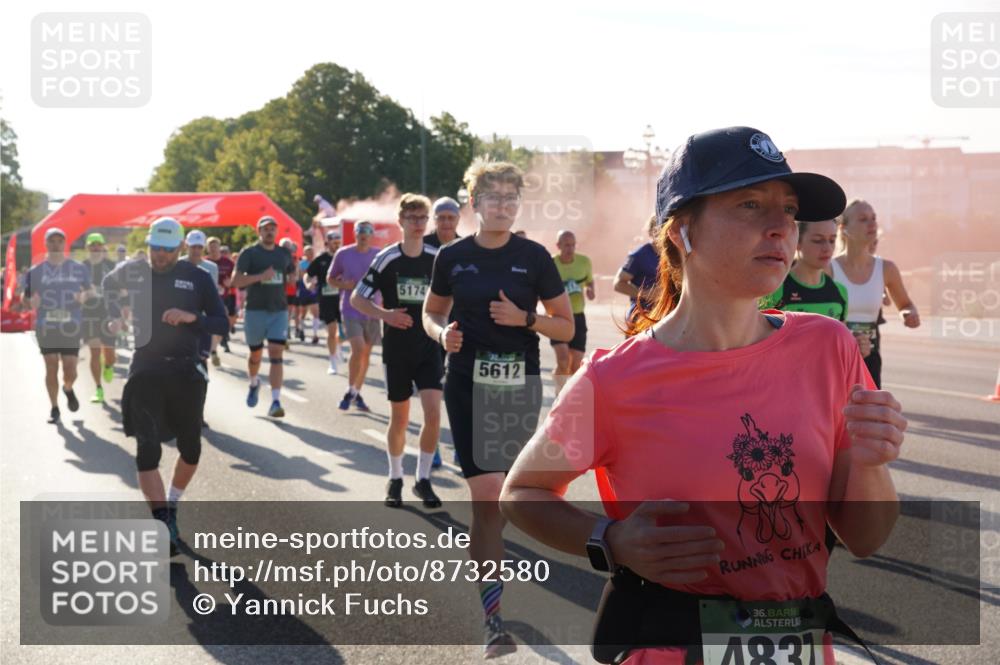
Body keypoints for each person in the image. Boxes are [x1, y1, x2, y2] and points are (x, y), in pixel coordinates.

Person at [499, 126, 908, 665]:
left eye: (788, 209)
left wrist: (873, 465)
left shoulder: (828, 347)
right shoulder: (614, 380)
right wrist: (612, 540)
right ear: (681, 231)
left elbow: (864, 537)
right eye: (750, 204)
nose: (781, 225)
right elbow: (521, 494)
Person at [423, 159, 573, 657]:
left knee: (506, 500)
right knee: (487, 499)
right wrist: (441, 333)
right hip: (467, 384)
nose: (504, 206)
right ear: (474, 203)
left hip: (519, 386)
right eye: (494, 198)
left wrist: (525, 318)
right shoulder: (452, 256)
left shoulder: (534, 257)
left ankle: (492, 566)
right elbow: (431, 310)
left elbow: (566, 328)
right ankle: (494, 619)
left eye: (512, 198)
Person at [103, 217, 228, 556]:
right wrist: (115, 314)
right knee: (147, 450)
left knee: (191, 449)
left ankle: (172, 503)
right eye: (154, 248)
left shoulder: (197, 277)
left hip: (186, 372)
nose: (158, 255)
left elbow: (221, 321)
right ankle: (162, 522)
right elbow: (107, 286)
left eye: (166, 250)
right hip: (145, 369)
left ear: (180, 249)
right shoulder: (135, 270)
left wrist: (193, 319)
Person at [351, 194, 444, 508]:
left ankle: (423, 479)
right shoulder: (388, 258)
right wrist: (386, 315)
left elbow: (453, 298)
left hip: (430, 346)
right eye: (412, 218)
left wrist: (445, 329)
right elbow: (357, 299)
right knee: (400, 418)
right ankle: (394, 477)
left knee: (433, 414)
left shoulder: (437, 257)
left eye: (422, 218)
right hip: (398, 349)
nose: (418, 224)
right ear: (400, 222)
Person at [831, 199, 920, 388]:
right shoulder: (828, 269)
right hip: (835, 354)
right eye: (863, 219)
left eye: (874, 218)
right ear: (844, 228)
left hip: (870, 353)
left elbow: (905, 304)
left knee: (869, 412)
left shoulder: (886, 268)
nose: (872, 224)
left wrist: (908, 314)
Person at [21, 228, 92, 423]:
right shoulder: (36, 271)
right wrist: (29, 303)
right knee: (50, 365)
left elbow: (89, 291)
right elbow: (25, 297)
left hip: (71, 324)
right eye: (52, 241)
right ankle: (54, 408)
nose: (56, 244)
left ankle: (68, 388)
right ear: (46, 244)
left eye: (60, 241)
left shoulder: (78, 268)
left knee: (70, 369)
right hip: (47, 325)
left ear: (65, 243)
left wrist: (83, 297)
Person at [231, 216, 296, 418]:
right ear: (259, 231)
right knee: (256, 355)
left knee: (276, 352)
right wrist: (260, 276)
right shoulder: (249, 253)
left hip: (279, 310)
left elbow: (292, 274)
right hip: (255, 310)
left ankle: (275, 401)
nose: (269, 232)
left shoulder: (284, 253)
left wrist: (294, 277)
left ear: (276, 232)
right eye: (265, 229)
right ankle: (254, 383)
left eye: (272, 229)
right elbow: (236, 281)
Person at [327, 220, 381, 412]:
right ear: (355, 234)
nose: (364, 234)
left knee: (366, 354)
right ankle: (351, 389)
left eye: (367, 230)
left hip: (373, 309)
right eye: (360, 231)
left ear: (372, 234)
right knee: (358, 349)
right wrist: (345, 286)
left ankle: (355, 392)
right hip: (351, 308)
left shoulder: (378, 254)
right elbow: (330, 279)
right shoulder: (343, 254)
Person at [758, 219, 850, 322]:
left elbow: (841, 337)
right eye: (818, 240)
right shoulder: (774, 290)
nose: (827, 248)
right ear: (797, 242)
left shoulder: (840, 292)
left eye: (832, 240)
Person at [551, 229, 595, 396]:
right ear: (558, 246)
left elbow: (590, 281)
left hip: (578, 316)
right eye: (566, 245)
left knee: (575, 365)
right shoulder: (551, 263)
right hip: (558, 316)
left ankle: (565, 392)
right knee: (562, 360)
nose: (570, 248)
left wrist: (591, 290)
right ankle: (560, 396)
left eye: (573, 245)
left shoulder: (584, 262)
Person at [80, 232, 118, 403]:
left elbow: (122, 288)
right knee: (94, 352)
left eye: (98, 244)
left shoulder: (111, 265)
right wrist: (83, 294)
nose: (95, 247)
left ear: (103, 247)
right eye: (92, 244)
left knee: (109, 354)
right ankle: (98, 388)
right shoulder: (81, 267)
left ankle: (109, 365)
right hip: (88, 314)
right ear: (87, 247)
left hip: (108, 313)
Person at [180, 231, 220, 368]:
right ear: (186, 246)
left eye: (199, 247)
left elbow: (212, 296)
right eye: (193, 247)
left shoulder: (212, 268)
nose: (196, 251)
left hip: (201, 320)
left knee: (201, 360)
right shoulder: (177, 265)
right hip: (179, 319)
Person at [307, 229, 344, 375]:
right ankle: (333, 361)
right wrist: (308, 283)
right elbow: (308, 275)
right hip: (327, 299)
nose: (336, 245)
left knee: (343, 332)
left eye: (338, 243)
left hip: (343, 299)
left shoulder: (344, 257)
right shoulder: (321, 259)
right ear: (327, 243)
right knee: (332, 330)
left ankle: (338, 348)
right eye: (333, 243)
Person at [614, 214, 661, 323]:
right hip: (641, 317)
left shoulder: (674, 255)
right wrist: (646, 294)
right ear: (652, 231)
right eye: (660, 228)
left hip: (664, 316)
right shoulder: (639, 255)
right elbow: (618, 284)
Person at [206, 237, 236, 353]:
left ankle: (220, 342)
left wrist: (231, 283)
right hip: (207, 299)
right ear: (207, 249)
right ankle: (212, 347)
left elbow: (235, 279)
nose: (213, 250)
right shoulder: (204, 261)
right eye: (211, 247)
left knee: (223, 322)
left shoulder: (228, 263)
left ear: (219, 248)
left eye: (215, 247)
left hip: (224, 297)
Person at [295, 245, 321, 344]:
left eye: (311, 251)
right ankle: (301, 330)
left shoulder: (317, 262)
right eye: (308, 251)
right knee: (303, 313)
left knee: (315, 312)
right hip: (304, 290)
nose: (310, 253)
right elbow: (302, 275)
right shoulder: (302, 263)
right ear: (304, 253)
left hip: (314, 290)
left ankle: (315, 334)